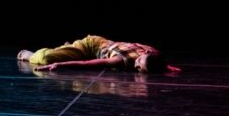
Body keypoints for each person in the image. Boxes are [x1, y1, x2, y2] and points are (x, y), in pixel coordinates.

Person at [17, 35, 181, 73]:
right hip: (90, 46)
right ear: (146, 52)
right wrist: (58, 64)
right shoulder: (121, 60)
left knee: (63, 53)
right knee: (46, 58)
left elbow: (156, 63)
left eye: (139, 68)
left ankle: (67, 49)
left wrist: (166, 68)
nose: (136, 64)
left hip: (98, 49)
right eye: (139, 60)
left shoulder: (150, 55)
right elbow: (86, 64)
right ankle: (28, 54)